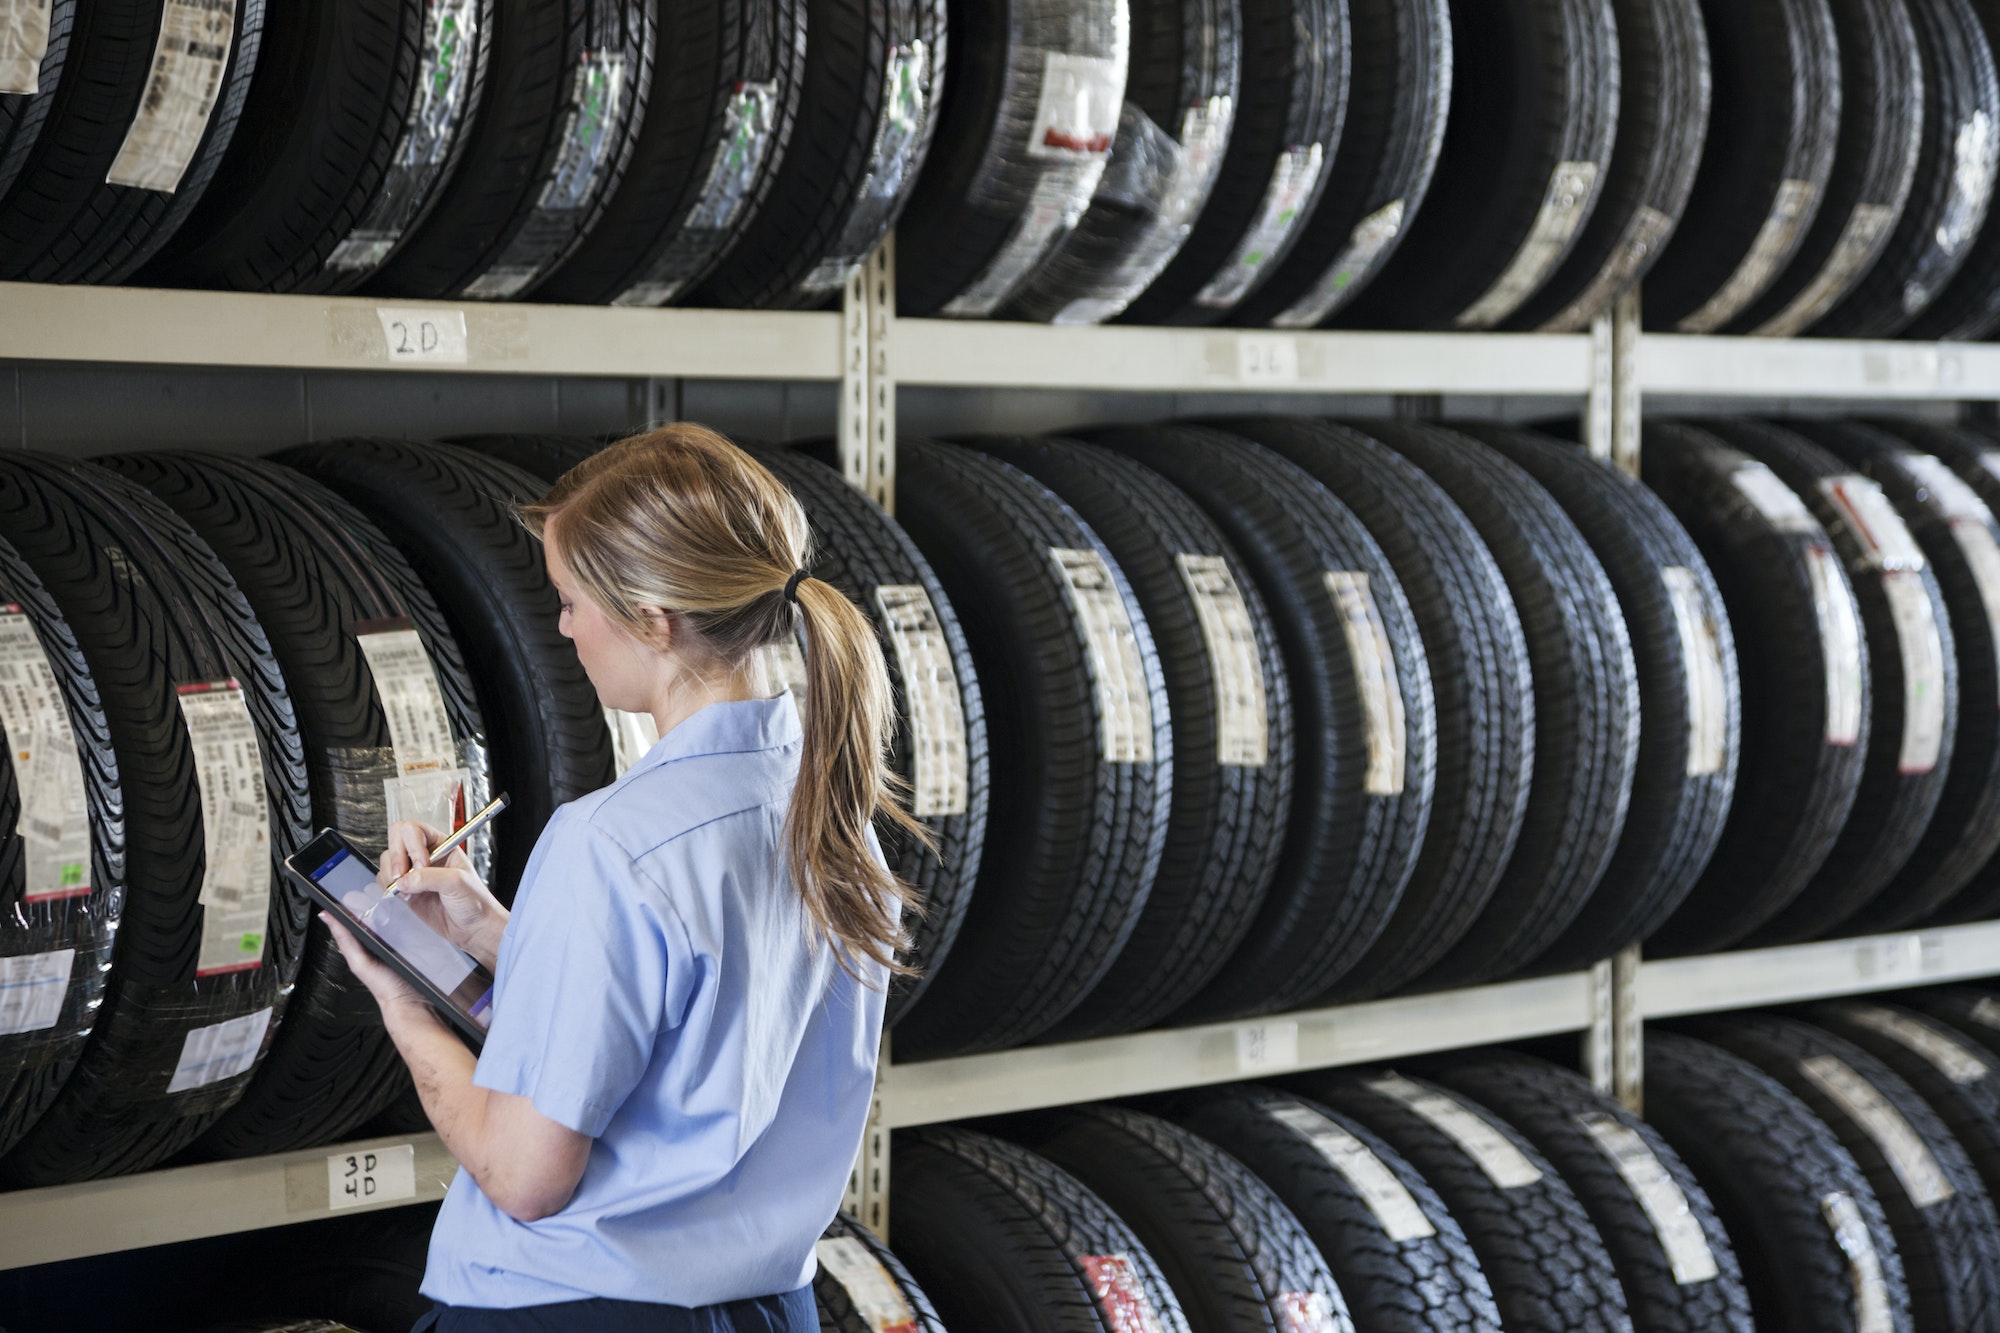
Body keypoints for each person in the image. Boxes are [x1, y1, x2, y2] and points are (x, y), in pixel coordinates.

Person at [325, 424, 926, 1332]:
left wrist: (400, 1000)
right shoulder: (831, 820)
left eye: (571, 599)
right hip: (769, 1308)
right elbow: (697, 1011)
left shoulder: (609, 844)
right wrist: (497, 931)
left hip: (576, 1309)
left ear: (652, 619)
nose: (562, 626)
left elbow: (525, 1176)